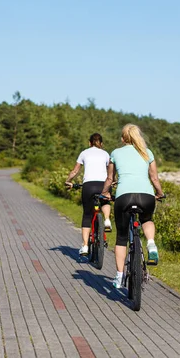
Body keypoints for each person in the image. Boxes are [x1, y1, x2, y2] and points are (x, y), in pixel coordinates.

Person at [100, 124, 164, 289]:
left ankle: (120, 276)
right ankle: (151, 243)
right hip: (146, 196)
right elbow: (154, 178)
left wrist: (105, 193)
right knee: (147, 219)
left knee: (121, 238)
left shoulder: (115, 153)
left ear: (123, 139)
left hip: (124, 197)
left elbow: (109, 179)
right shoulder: (147, 152)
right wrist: (160, 193)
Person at [65, 133, 112, 256]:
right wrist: (114, 181)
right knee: (105, 201)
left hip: (89, 186)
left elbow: (75, 171)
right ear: (101, 144)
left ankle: (85, 246)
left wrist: (68, 181)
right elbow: (110, 173)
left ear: (89, 143)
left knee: (87, 215)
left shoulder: (84, 153)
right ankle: (107, 220)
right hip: (103, 184)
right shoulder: (106, 154)